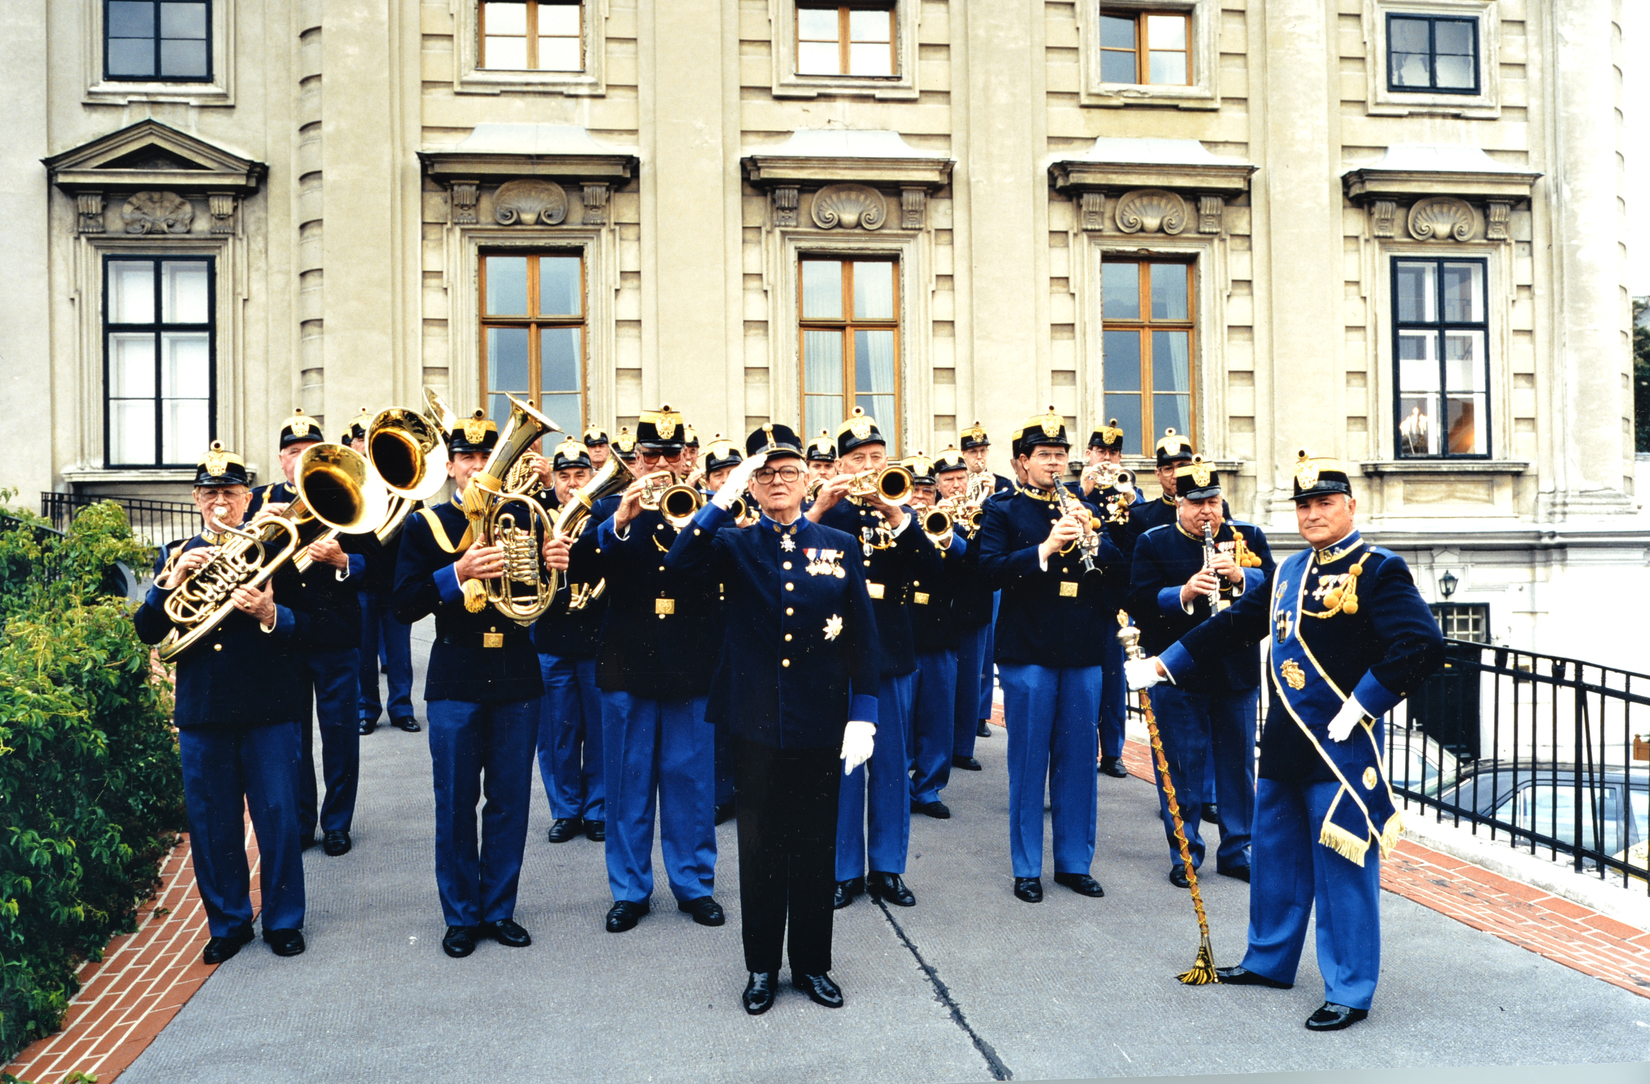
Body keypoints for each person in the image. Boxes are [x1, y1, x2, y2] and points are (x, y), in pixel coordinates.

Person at [1126, 450, 1444, 1031]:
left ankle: (1348, 988)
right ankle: (1269, 960)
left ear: (1350, 505)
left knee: (1341, 868)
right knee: (1277, 860)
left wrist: (1362, 704)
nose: (1313, 514)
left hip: (1340, 747)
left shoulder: (1378, 568)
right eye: (1304, 505)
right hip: (1285, 740)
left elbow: (1422, 644)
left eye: (1324, 503)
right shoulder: (1290, 572)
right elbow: (1232, 625)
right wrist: (1165, 665)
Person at [659, 424, 881, 1014]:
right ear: (750, 485)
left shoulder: (838, 543)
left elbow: (862, 635)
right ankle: (761, 967)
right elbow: (677, 569)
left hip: (821, 719)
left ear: (808, 476)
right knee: (759, 848)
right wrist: (719, 498)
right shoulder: (733, 544)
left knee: (813, 846)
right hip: (754, 721)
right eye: (764, 474)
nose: (777, 482)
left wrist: (865, 713)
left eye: (786, 471)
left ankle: (811, 965)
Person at [133, 443, 313, 962]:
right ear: (195, 498)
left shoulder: (278, 547)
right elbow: (149, 630)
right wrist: (171, 582)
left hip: (268, 706)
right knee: (213, 824)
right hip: (204, 710)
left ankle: (283, 921)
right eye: (210, 493)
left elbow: (311, 629)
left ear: (247, 498)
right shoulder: (175, 555)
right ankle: (229, 923)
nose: (220, 503)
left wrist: (270, 611)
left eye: (230, 493)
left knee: (278, 817)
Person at [568, 405, 724, 934]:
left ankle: (694, 884)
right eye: (648, 456)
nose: (658, 464)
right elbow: (580, 568)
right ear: (633, 460)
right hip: (627, 662)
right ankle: (630, 889)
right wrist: (620, 522)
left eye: (668, 455)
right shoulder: (610, 509)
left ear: (685, 458)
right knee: (628, 782)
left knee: (690, 782)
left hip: (690, 663)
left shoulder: (707, 510)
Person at [393, 410, 542, 959]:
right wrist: (458, 574)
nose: (479, 467)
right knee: (455, 801)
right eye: (469, 459)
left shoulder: (524, 517)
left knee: (510, 799)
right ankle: (460, 915)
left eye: (487, 457)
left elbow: (541, 598)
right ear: (452, 466)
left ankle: (499, 909)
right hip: (456, 676)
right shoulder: (425, 525)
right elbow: (404, 604)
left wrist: (554, 565)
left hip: (517, 676)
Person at [977, 409, 1122, 904]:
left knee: (1079, 759)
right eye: (1045, 457)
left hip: (1082, 650)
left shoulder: (1085, 507)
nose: (1055, 464)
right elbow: (987, 570)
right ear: (1022, 463)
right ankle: (1025, 867)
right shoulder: (1003, 510)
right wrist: (1044, 548)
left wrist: (1095, 540)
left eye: (1061, 456)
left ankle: (1074, 863)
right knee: (1029, 758)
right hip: (1029, 652)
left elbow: (1118, 578)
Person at [807, 408, 944, 910]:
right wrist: (820, 508)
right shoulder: (825, 512)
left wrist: (896, 514)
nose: (869, 466)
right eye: (859, 459)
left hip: (890, 653)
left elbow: (934, 570)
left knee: (889, 765)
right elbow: (787, 558)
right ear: (840, 464)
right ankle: (844, 870)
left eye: (877, 458)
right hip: (836, 655)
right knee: (844, 767)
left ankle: (888, 867)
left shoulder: (899, 512)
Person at [1127, 456, 1274, 887]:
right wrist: (1186, 592)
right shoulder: (1154, 543)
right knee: (1181, 768)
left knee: (1238, 767)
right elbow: (1139, 602)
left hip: (1235, 674)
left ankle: (1238, 849)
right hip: (1179, 676)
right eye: (1197, 503)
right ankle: (1185, 852)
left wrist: (1244, 578)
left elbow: (1274, 588)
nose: (1208, 512)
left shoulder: (1246, 537)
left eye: (1213, 501)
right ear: (1179, 505)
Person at [247, 409, 367, 857]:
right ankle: (300, 822)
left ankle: (337, 823)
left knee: (339, 734)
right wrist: (258, 521)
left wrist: (343, 562)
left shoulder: (343, 493)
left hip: (336, 635)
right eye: (292, 452)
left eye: (308, 453)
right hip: (284, 636)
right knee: (291, 734)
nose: (299, 460)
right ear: (280, 459)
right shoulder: (261, 502)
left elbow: (375, 564)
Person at [532, 438, 606, 844]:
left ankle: (597, 808)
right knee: (557, 731)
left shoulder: (604, 517)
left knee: (597, 731)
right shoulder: (538, 519)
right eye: (564, 477)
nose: (572, 484)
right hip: (551, 639)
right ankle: (564, 809)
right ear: (554, 481)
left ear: (592, 477)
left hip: (594, 639)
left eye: (580, 475)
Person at [346, 409, 419, 737]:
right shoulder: (349, 485)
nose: (365, 445)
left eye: (370, 439)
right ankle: (366, 709)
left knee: (400, 651)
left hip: (395, 579)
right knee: (363, 651)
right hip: (362, 581)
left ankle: (402, 708)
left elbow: (417, 530)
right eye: (360, 439)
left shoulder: (403, 483)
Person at [903, 452, 967, 818]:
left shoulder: (950, 524)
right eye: (914, 491)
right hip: (902, 630)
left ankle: (929, 787)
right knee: (902, 714)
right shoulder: (888, 523)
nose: (920, 499)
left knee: (938, 713)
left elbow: (968, 563)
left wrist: (944, 536)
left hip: (940, 630)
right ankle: (898, 781)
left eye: (927, 491)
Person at [1082, 419, 1139, 779]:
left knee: (1114, 681)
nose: (1107, 459)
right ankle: (1083, 749)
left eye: (1113, 453)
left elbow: (1137, 544)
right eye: (1100, 452)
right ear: (1087, 455)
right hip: (1083, 600)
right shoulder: (1074, 491)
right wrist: (1085, 494)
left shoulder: (1131, 494)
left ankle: (1113, 751)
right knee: (1084, 682)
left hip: (1117, 602)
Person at [700, 435, 746, 823]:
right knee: (716, 714)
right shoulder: (703, 514)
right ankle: (719, 791)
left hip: (744, 621)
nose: (726, 480)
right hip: (709, 623)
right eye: (719, 475)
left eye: (734, 473)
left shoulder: (755, 512)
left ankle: (744, 788)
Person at [958, 421, 1014, 742]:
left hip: (991, 571)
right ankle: (965, 712)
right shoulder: (957, 482)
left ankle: (980, 714)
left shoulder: (1003, 484)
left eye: (982, 451)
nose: (978, 458)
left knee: (988, 647)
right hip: (964, 571)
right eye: (973, 452)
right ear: (964, 454)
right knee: (968, 649)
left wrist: (989, 495)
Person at [935, 448, 990, 773]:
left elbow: (982, 557)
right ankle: (938, 744)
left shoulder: (985, 511)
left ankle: (962, 747)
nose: (956, 486)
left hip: (972, 606)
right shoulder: (931, 509)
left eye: (960, 478)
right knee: (941, 683)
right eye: (948, 480)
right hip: (939, 609)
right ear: (939, 484)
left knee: (969, 680)